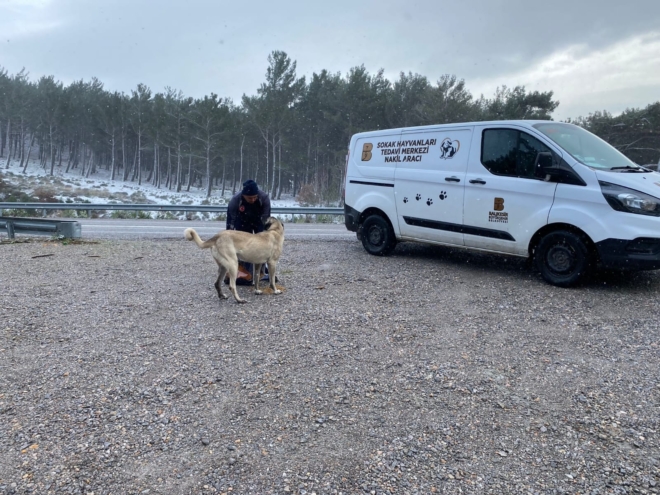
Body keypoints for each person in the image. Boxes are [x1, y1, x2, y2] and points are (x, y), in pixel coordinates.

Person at [225, 180, 271, 284]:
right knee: (244, 246)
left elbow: (266, 219)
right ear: (244, 195)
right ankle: (244, 270)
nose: (253, 199)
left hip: (259, 220)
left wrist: (264, 235)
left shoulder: (264, 198)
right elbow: (230, 221)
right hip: (242, 221)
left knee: (261, 246)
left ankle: (262, 271)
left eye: (255, 197)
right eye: (250, 198)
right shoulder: (236, 200)